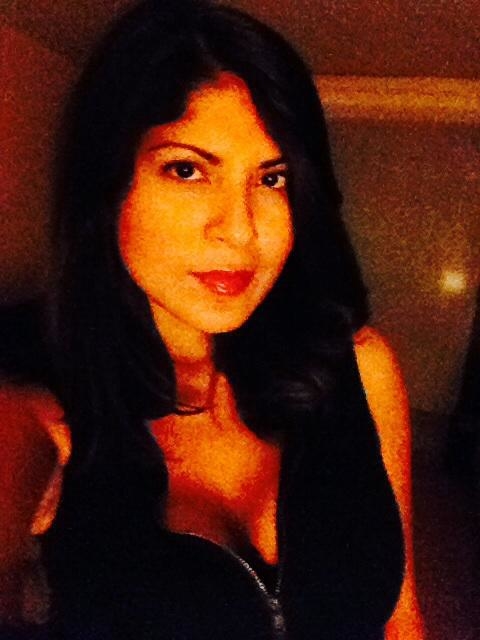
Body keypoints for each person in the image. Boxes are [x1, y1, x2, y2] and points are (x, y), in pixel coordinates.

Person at [0, 0, 424, 637]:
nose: (241, 230)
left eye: (272, 179)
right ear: (106, 185)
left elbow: (401, 619)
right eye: (188, 169)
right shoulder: (33, 412)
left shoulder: (361, 368)